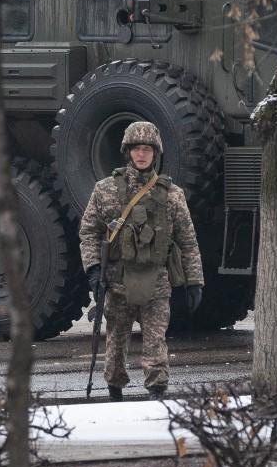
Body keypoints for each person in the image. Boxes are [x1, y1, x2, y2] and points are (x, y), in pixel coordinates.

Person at [79, 121, 205, 401]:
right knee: (115, 344)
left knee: (156, 343)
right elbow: (89, 231)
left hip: (156, 282)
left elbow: (187, 241)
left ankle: (156, 393)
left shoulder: (172, 195)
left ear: (155, 153)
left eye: (147, 149)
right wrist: (93, 269)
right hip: (117, 279)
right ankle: (115, 394)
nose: (141, 154)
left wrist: (194, 280)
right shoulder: (105, 190)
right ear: (127, 151)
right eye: (136, 148)